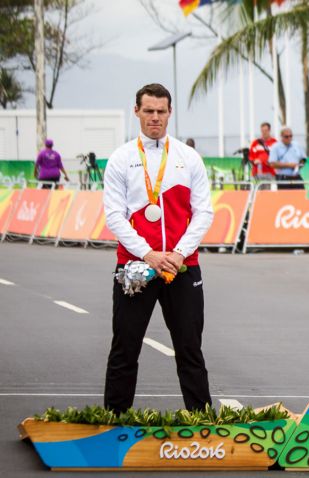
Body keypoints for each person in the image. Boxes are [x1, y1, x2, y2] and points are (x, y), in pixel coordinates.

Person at [102, 83, 214, 413]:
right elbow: (114, 216)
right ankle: (114, 421)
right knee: (125, 347)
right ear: (136, 111)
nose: (155, 118)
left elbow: (204, 211)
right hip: (135, 267)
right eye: (148, 111)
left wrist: (178, 254)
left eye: (161, 111)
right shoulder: (121, 159)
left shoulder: (188, 157)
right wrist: (149, 254)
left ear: (170, 113)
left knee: (190, 348)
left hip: (182, 267)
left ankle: (203, 422)